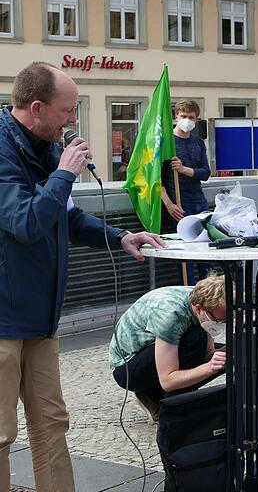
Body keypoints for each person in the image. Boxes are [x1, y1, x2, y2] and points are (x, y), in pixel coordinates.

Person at [0, 62, 164, 492]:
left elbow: (66, 218)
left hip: (40, 314)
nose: (73, 120)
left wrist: (120, 236)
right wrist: (64, 174)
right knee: (0, 435)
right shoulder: (2, 151)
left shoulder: (48, 149)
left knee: (51, 422)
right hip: (2, 317)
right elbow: (26, 222)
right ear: (36, 108)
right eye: (68, 110)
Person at [108, 274, 228, 423]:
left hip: (154, 353)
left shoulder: (204, 299)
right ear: (199, 309)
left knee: (229, 355)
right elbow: (168, 380)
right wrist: (209, 368)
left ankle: (152, 394)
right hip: (126, 369)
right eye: (219, 321)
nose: (222, 324)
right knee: (196, 339)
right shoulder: (170, 315)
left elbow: (208, 354)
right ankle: (173, 410)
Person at [160, 99, 211, 284]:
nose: (187, 120)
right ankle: (188, 295)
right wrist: (169, 204)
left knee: (206, 254)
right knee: (185, 258)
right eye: (184, 116)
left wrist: (184, 170)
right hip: (180, 206)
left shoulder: (198, 142)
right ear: (176, 116)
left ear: (196, 119)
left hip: (200, 203)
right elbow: (157, 180)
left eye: (191, 117)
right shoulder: (166, 143)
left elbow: (205, 173)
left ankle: (208, 295)